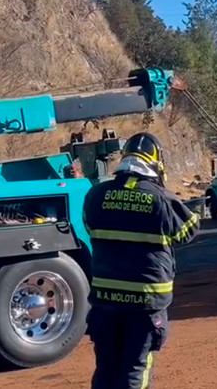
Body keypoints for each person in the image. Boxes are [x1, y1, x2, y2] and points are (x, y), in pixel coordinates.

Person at [83, 132, 199, 389]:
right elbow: (187, 231)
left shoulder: (96, 195)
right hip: (146, 301)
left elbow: (89, 227)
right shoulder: (161, 198)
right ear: (155, 163)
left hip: (105, 301)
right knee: (135, 369)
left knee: (105, 369)